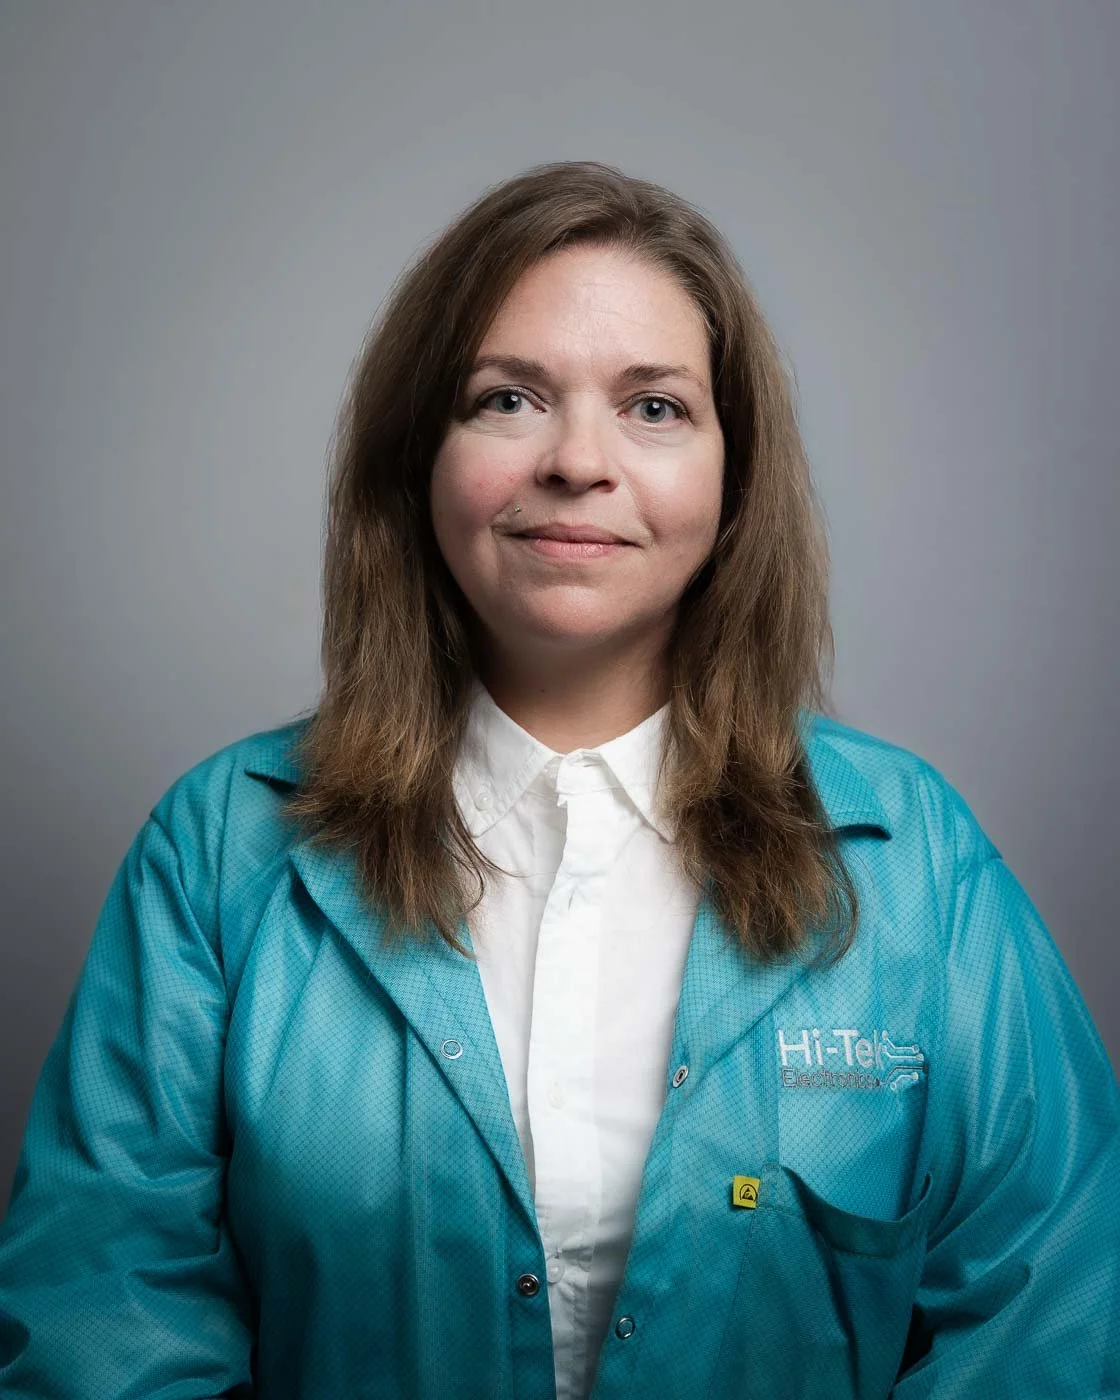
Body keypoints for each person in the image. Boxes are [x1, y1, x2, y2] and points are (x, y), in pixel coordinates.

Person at [0, 159, 1116, 1400]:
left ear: (733, 475)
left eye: (654, 408)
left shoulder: (914, 864)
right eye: (509, 398)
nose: (579, 461)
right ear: (418, 457)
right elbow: (103, 1320)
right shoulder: (220, 851)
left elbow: (1053, 1309)